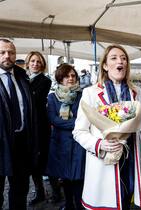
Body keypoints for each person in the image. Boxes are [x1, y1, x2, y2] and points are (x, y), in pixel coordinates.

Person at [72, 44, 141, 210]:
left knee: (126, 202)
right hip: (102, 164)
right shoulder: (90, 93)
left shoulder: (136, 93)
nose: (120, 61)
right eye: (114, 58)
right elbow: (79, 131)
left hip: (129, 162)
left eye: (124, 58)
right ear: (105, 65)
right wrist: (99, 144)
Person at [0, 39, 38, 209]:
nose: (7, 56)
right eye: (2, 52)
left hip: (22, 142)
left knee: (20, 190)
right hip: (1, 143)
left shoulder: (23, 77)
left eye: (11, 52)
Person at [45, 64, 85, 210]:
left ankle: (80, 205)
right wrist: (75, 123)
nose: (71, 78)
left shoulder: (82, 96)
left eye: (73, 76)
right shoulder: (52, 97)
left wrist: (68, 123)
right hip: (60, 144)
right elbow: (53, 119)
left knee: (78, 178)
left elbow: (85, 118)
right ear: (60, 78)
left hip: (78, 143)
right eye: (67, 76)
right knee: (65, 178)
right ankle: (68, 205)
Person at [25, 51, 56, 205]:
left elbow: (34, 98)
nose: (35, 64)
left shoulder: (45, 80)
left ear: (42, 64)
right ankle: (40, 192)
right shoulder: (24, 79)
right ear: (28, 63)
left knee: (44, 158)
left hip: (40, 125)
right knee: (32, 162)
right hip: (28, 126)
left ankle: (56, 191)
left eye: (38, 61)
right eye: (33, 61)